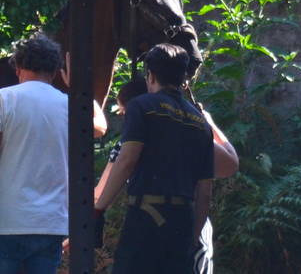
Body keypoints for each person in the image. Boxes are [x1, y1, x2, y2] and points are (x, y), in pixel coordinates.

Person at [95, 75, 238, 274]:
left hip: (149, 224)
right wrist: (208, 122)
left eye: (123, 111)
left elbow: (101, 192)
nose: (122, 116)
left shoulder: (127, 146)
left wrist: (94, 214)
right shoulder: (191, 132)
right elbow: (230, 163)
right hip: (190, 222)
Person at [0, 32, 68, 274]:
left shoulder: (4, 99)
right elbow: (99, 127)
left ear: (18, 67)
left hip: (5, 221)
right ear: (55, 71)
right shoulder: (69, 105)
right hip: (50, 224)